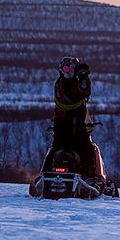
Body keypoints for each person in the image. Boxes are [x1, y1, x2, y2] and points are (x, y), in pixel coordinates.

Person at [42, 55, 108, 183]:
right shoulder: (60, 84)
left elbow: (85, 91)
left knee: (86, 149)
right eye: (67, 69)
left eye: (72, 69)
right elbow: (71, 96)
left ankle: (89, 175)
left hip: (75, 123)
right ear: (62, 70)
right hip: (64, 124)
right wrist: (81, 79)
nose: (69, 72)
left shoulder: (78, 82)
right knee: (61, 148)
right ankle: (45, 173)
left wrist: (84, 78)